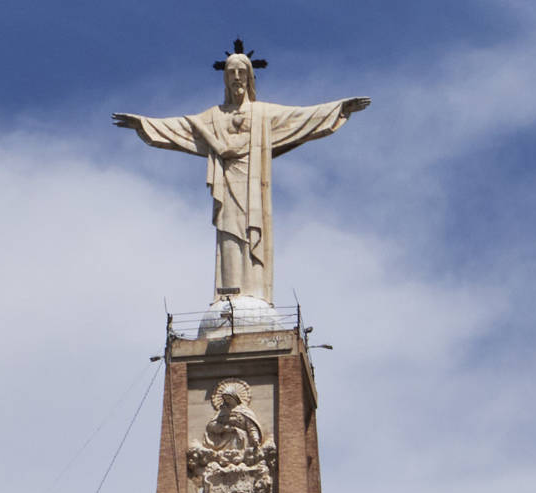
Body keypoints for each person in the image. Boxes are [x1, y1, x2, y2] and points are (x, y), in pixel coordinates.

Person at [114, 52, 369, 304]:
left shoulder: (263, 114)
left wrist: (339, 108)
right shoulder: (213, 116)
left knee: (253, 234)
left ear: (249, 77)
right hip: (227, 185)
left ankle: (254, 295)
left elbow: (302, 117)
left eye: (241, 72)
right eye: (231, 73)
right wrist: (144, 124)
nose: (236, 77)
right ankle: (230, 295)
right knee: (228, 233)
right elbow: (181, 127)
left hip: (253, 184)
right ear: (225, 78)